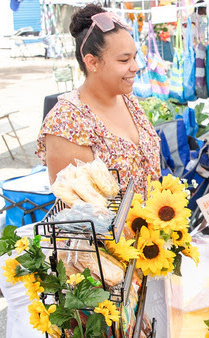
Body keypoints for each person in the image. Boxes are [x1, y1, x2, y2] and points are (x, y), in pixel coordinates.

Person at [36, 4, 160, 196]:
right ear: (92, 62)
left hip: (153, 222)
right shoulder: (67, 123)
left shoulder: (127, 98)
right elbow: (79, 211)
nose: (136, 67)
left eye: (134, 57)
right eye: (124, 60)